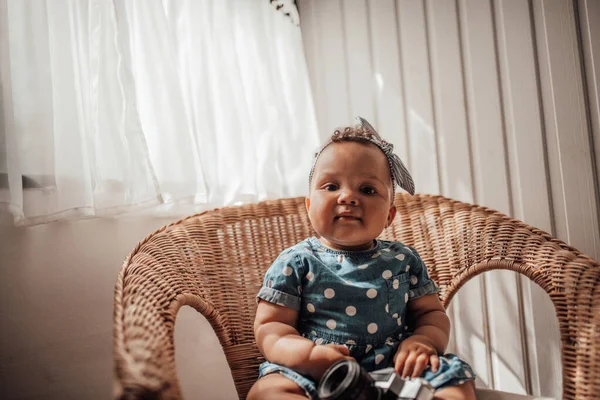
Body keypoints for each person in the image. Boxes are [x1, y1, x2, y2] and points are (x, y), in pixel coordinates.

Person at [247, 117, 476, 400]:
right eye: (331, 186)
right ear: (308, 207)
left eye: (367, 190)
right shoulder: (296, 262)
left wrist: (423, 341)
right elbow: (271, 328)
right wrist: (310, 356)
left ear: (390, 216)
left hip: (393, 369)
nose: (347, 197)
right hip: (320, 373)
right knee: (268, 391)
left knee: (453, 377)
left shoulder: (403, 260)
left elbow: (431, 314)